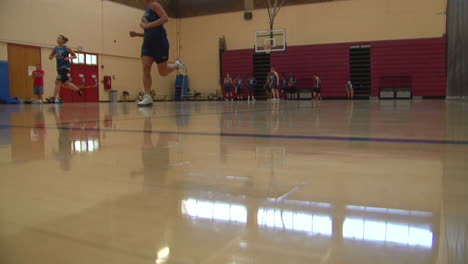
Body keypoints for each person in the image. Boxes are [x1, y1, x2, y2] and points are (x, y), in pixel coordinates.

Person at [129, 0, 187, 107]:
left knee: (163, 72)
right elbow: (150, 31)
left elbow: (165, 18)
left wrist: (147, 26)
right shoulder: (146, 11)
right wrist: (137, 34)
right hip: (147, 45)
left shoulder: (155, 5)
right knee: (146, 67)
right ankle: (147, 96)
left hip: (160, 43)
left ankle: (177, 65)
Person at [49, 35, 83, 103]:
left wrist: (68, 58)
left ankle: (53, 98)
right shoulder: (55, 48)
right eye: (57, 38)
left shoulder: (66, 48)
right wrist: (53, 56)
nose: (58, 39)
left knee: (57, 81)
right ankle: (78, 90)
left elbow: (74, 56)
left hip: (65, 67)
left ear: (63, 41)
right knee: (66, 83)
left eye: (59, 38)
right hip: (58, 67)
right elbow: (50, 57)